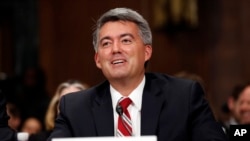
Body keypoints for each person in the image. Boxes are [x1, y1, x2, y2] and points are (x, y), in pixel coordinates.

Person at [47, 7, 227, 141]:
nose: (115, 49)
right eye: (106, 43)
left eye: (126, 40)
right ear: (98, 59)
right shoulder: (75, 108)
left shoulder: (183, 97)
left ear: (147, 52)